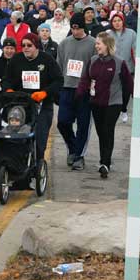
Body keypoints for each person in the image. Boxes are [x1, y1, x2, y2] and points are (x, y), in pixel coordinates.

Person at [75, 32, 133, 178]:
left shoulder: (119, 62)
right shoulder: (93, 60)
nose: (96, 46)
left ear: (107, 45)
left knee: (108, 130)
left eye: (98, 43)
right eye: (96, 43)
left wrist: (125, 105)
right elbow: (85, 79)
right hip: (96, 102)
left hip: (113, 103)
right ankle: (104, 159)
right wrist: (79, 94)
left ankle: (105, 163)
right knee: (101, 132)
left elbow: (128, 84)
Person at [2, 32, 63, 164]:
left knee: (40, 139)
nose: (26, 48)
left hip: (42, 104)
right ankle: (19, 164)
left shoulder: (47, 59)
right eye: (23, 45)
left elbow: (58, 80)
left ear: (36, 46)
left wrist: (45, 93)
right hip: (21, 104)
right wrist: (8, 90)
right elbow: (6, 79)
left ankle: (38, 163)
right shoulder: (16, 60)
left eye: (29, 45)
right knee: (17, 136)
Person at [56, 13, 97, 171]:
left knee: (83, 124)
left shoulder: (93, 44)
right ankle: (73, 148)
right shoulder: (64, 44)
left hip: (85, 90)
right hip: (67, 88)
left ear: (83, 27)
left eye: (78, 28)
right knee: (63, 122)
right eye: (72, 28)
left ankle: (79, 155)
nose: (75, 31)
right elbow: (59, 67)